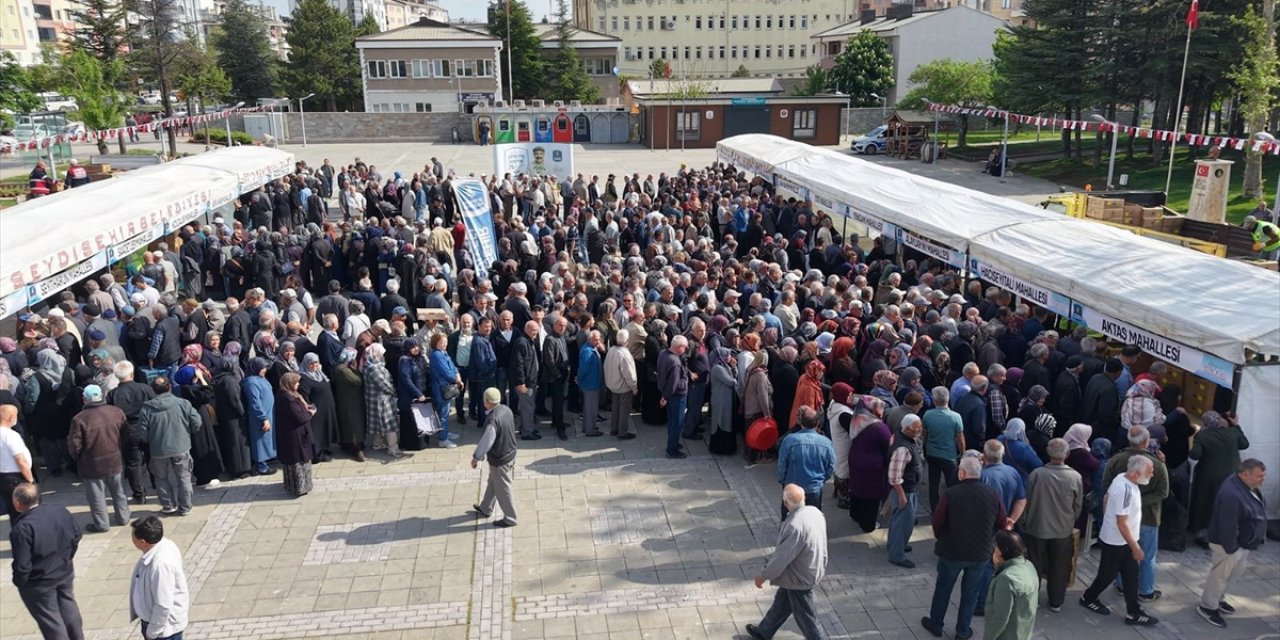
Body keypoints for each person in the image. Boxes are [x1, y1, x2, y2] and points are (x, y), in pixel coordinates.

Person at [921, 456, 1007, 640]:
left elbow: (937, 522)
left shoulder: (951, 494)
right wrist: (988, 537)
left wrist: (941, 537)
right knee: (971, 593)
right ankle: (962, 631)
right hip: (981, 553)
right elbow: (1002, 521)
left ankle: (936, 624)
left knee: (943, 588)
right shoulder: (992, 494)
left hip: (952, 551)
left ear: (962, 473)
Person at [1079, 456, 1159, 627]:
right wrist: (1135, 547)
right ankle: (1088, 597)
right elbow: (1122, 523)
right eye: (1149, 472)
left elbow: (1107, 498)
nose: (1151, 475)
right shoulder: (1126, 490)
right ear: (1137, 473)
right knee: (1107, 575)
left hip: (1120, 539)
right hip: (1118, 541)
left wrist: (1108, 519)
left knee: (1131, 576)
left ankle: (1133, 611)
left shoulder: (1121, 478)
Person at [746, 484, 829, 640]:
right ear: (804, 498)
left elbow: (781, 558)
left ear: (786, 504)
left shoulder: (794, 525)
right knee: (782, 602)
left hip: (799, 577)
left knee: (807, 618)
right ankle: (763, 632)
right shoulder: (815, 513)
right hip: (809, 568)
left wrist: (763, 576)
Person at [9, 483, 85, 639]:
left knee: (51, 621)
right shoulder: (59, 510)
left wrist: (21, 582)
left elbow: (22, 565)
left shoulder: (22, 528)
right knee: (68, 607)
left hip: (39, 582)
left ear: (17, 503)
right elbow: (76, 535)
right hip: (64, 572)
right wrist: (68, 558)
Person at [1198, 459, 1267, 628]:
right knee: (1220, 577)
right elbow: (1228, 524)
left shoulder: (1241, 485)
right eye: (1259, 476)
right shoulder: (1232, 494)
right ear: (1245, 474)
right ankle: (1208, 606)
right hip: (1228, 545)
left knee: (1232, 575)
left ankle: (1218, 599)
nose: (1262, 480)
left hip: (1241, 543)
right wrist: (1232, 548)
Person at [1103, 426, 1169, 600]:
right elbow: (1163, 492)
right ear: (1146, 442)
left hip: (1122, 516)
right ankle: (1146, 591)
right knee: (1146, 556)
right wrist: (1138, 503)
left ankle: (1121, 585)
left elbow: (1106, 485)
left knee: (1124, 552)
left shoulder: (1116, 460)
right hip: (1148, 516)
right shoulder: (1157, 463)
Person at [1022, 438, 1081, 612]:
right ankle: (1056, 601)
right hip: (1062, 530)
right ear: (1067, 454)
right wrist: (1069, 521)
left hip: (1036, 527)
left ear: (1048, 452)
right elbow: (1077, 506)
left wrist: (1024, 521)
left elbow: (1026, 501)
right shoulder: (1075, 477)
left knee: (1034, 565)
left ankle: (1031, 599)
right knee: (1059, 566)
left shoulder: (1037, 474)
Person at [67, 384, 131, 533]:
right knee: (119, 491)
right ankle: (123, 517)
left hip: (91, 465)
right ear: (101, 396)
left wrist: (77, 458)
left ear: (84, 399)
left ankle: (102, 524)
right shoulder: (116, 412)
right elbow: (126, 434)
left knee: (97, 497)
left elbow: (74, 445)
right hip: (115, 459)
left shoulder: (79, 419)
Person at [135, 378, 202, 516]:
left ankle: (168, 505)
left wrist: (152, 441)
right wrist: (187, 433)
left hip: (158, 449)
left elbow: (142, 432)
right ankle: (185, 507)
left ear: (153, 389)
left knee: (161, 478)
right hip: (181, 446)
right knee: (184, 477)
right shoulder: (183, 403)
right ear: (170, 387)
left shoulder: (147, 408)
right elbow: (196, 422)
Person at [1189, 411, 1250, 542]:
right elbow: (1245, 444)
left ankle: (1205, 534)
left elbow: (1195, 455)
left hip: (1210, 476)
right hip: (1234, 475)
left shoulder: (1203, 435)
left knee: (1207, 504)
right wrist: (1236, 426)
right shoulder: (1232, 432)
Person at [128, 516, 190, 640]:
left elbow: (163, 604)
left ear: (142, 542)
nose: (131, 539)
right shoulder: (164, 545)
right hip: (155, 626)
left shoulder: (160, 565)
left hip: (163, 631)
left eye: (133, 536)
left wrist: (152, 632)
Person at [776, 407, 835, 520]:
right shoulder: (826, 443)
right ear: (817, 423)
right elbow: (831, 467)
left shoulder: (790, 440)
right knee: (812, 520)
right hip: (814, 488)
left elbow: (782, 465)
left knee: (789, 521)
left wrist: (784, 482)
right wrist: (820, 480)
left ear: (800, 422)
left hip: (792, 488)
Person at [471, 388, 518, 528]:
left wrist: (476, 457)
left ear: (487, 402)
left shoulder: (493, 420)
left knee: (503, 488)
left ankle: (510, 518)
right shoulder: (506, 409)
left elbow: (487, 441)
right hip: (510, 453)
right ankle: (486, 507)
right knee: (493, 481)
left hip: (500, 458)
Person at [846, 395, 891, 533]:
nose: (882, 411)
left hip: (855, 458)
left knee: (857, 489)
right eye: (880, 408)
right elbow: (888, 443)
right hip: (872, 467)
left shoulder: (857, 419)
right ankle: (868, 524)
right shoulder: (878, 426)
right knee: (871, 495)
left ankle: (855, 514)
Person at [984, 531, 1038, 640]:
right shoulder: (1029, 566)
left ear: (1000, 552)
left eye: (995, 548)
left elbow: (1001, 617)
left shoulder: (1006, 579)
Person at [886, 415, 924, 569]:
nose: (919, 429)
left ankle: (895, 544)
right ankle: (897, 555)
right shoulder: (903, 448)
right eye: (917, 427)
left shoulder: (900, 437)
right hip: (905, 491)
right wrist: (901, 495)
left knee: (898, 521)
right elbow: (894, 477)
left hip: (908, 489)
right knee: (903, 523)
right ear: (907, 429)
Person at [364, 343, 411, 459]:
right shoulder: (374, 369)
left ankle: (378, 443)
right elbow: (384, 385)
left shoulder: (370, 366)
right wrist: (394, 391)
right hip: (382, 400)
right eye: (381, 353)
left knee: (377, 423)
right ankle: (393, 448)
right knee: (389, 423)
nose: (383, 356)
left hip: (375, 399)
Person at [922, 386, 965, 513]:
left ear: (935, 400)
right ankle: (952, 510)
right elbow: (960, 439)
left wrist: (925, 448)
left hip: (932, 454)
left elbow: (924, 435)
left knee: (933, 484)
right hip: (949, 456)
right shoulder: (955, 417)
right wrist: (962, 454)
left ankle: (935, 510)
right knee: (952, 485)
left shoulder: (927, 415)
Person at [274, 372, 315, 497]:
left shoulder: (282, 394)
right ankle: (300, 487)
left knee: (291, 462)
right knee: (299, 461)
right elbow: (300, 418)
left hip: (288, 434)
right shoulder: (289, 399)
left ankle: (291, 485)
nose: (298, 384)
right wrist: (311, 413)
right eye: (296, 382)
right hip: (295, 435)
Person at [241, 358, 279, 475]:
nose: (265, 370)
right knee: (259, 441)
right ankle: (261, 466)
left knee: (267, 439)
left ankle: (267, 459)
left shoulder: (260, 378)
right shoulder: (251, 382)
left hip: (268, 414)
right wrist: (263, 418)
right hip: (260, 417)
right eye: (263, 368)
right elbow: (255, 402)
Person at [656, 334, 690, 459]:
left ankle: (673, 442)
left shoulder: (663, 354)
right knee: (677, 422)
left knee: (672, 420)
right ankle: (672, 449)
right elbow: (673, 383)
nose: (686, 350)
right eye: (685, 347)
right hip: (677, 395)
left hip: (667, 393)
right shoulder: (675, 362)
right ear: (679, 347)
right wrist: (665, 397)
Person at [0, 404, 34, 522]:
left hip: (3, 476)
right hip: (16, 477)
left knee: (13, 511)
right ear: (10, 418)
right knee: (27, 511)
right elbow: (20, 460)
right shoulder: (10, 435)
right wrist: (30, 480)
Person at [603, 329, 638, 440]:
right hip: (623, 386)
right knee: (624, 410)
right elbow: (629, 374)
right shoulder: (624, 354)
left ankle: (614, 429)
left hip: (612, 385)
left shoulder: (611, 350)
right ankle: (622, 433)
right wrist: (634, 386)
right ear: (627, 341)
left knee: (615, 407)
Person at [510, 320, 542, 440]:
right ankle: (527, 432)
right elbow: (518, 364)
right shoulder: (522, 343)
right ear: (526, 329)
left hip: (531, 381)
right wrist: (521, 382)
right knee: (528, 408)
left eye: (536, 330)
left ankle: (525, 428)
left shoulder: (529, 341)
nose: (535, 332)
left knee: (525, 407)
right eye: (533, 330)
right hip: (526, 383)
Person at [578, 330, 605, 437]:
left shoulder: (590, 348)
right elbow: (583, 369)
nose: (598, 342)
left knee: (587, 408)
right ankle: (590, 430)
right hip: (590, 384)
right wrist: (579, 380)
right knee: (591, 409)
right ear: (590, 339)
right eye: (596, 340)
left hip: (591, 383)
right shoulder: (587, 352)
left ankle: (587, 426)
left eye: (599, 340)